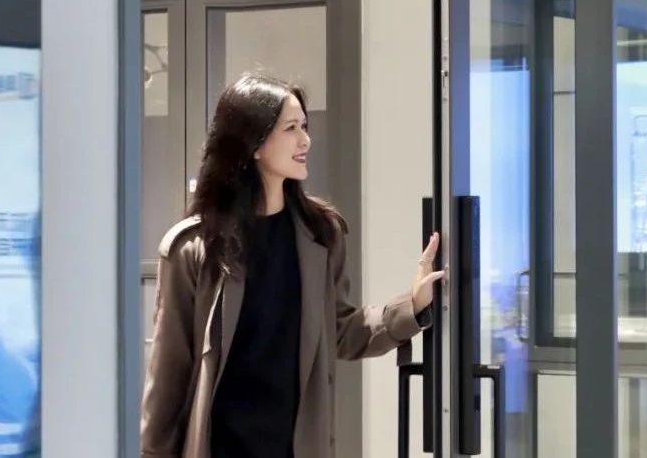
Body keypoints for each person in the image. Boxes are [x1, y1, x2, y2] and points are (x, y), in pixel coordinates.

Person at [140, 73, 444, 458]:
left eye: (305, 126)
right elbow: (168, 378)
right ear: (253, 143)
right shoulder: (194, 249)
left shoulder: (322, 234)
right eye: (291, 128)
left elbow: (340, 330)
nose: (305, 140)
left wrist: (412, 307)